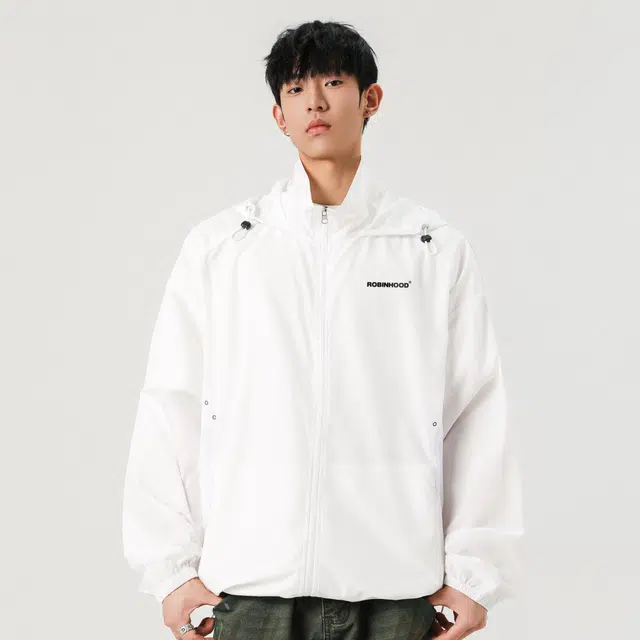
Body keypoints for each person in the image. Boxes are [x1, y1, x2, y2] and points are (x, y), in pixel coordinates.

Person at [122, 19, 524, 640]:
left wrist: (475, 573)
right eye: (295, 88)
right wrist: (170, 569)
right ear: (278, 116)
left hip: (395, 591)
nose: (314, 101)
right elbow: (171, 406)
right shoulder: (223, 250)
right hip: (251, 591)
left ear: (370, 99)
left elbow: (474, 412)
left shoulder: (429, 248)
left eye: (333, 82)